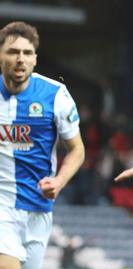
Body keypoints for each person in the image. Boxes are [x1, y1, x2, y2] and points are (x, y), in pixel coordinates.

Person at [0, 22, 84, 269]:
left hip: (39, 206)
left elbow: (77, 150)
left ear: (35, 59)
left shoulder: (56, 94)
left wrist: (59, 181)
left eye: (27, 53)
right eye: (13, 52)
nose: (20, 59)